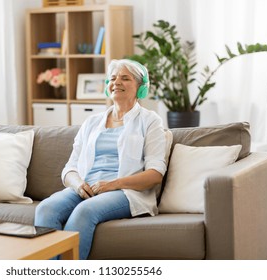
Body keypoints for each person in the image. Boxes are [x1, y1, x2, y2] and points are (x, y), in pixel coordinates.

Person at [34, 59, 169, 260]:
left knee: (84, 212)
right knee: (46, 208)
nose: (116, 83)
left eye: (125, 78)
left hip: (125, 192)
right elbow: (70, 168)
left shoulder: (150, 121)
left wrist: (112, 184)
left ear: (141, 88)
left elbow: (155, 174)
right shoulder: (92, 122)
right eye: (112, 79)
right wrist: (79, 185)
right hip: (86, 188)